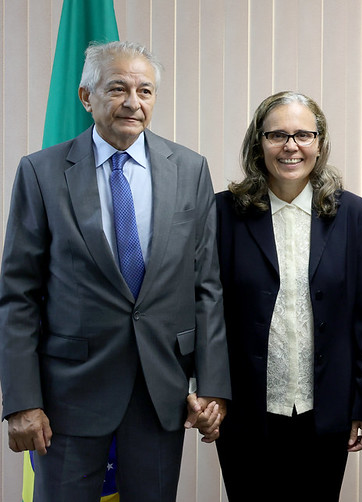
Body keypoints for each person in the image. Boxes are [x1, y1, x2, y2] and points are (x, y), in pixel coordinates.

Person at [0, 41, 230, 501]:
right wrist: (22, 401)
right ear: (87, 97)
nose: (133, 102)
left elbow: (206, 286)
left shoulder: (190, 169)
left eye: (145, 91)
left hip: (159, 393)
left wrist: (213, 387)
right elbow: (18, 294)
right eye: (118, 88)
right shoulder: (41, 172)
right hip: (68, 398)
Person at [214, 91, 362, 501]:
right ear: (259, 143)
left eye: (304, 134)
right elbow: (207, 312)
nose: (291, 146)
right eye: (277, 135)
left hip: (326, 411)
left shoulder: (351, 214)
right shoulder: (223, 213)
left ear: (319, 143)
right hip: (246, 411)